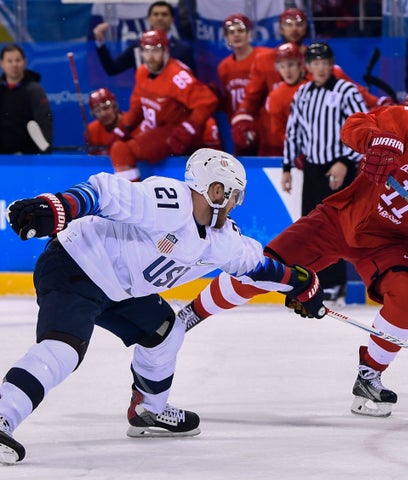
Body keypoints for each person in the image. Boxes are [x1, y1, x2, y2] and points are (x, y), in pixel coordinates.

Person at [0, 148, 326, 465]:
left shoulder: (224, 238)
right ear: (211, 188)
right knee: (64, 349)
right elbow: (104, 192)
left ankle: (148, 410)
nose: (231, 204)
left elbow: (259, 267)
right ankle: (4, 416)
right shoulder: (168, 200)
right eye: (229, 193)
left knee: (165, 333)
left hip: (121, 290)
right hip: (76, 264)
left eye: (236, 196)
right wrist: (58, 207)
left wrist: (302, 283)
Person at [174, 111, 408, 418]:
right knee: (262, 270)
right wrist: (375, 142)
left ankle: (369, 376)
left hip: (390, 244)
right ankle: (192, 313)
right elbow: (353, 125)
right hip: (342, 217)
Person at [282, 42, 368, 304]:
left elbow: (364, 128)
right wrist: (286, 167)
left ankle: (336, 284)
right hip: (313, 168)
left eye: (324, 62)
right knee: (310, 227)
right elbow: (293, 131)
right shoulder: (303, 93)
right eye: (314, 63)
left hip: (339, 167)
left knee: (335, 228)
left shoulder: (346, 91)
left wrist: (346, 161)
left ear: (331, 65)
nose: (319, 68)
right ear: (307, 66)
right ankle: (311, 281)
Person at [231, 7, 380, 156]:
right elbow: (251, 98)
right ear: (281, 28)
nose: (294, 29)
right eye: (289, 24)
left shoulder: (318, 59)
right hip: (274, 143)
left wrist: (380, 104)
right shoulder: (264, 61)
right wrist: (242, 118)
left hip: (317, 144)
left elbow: (354, 90)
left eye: (299, 24)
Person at [109, 29, 219, 181]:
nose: (150, 56)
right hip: (152, 129)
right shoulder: (141, 72)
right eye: (146, 51)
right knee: (116, 143)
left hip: (171, 131)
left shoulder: (177, 75)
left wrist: (189, 128)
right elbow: (137, 107)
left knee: (120, 150)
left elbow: (207, 101)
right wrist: (124, 128)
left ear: (166, 51)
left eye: (156, 50)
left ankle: (131, 197)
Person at [216, 13, 273, 156]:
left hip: (265, 129)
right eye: (231, 32)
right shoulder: (224, 67)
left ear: (249, 34)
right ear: (227, 38)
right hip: (239, 130)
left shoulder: (265, 57)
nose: (236, 35)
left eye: (240, 31)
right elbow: (229, 101)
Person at [93, 1, 196, 75]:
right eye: (156, 14)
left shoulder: (183, 50)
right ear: (149, 19)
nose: (160, 18)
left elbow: (192, 82)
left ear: (172, 19)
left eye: (164, 14)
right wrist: (100, 44)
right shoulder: (137, 47)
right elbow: (112, 69)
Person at [0, 44, 52, 154]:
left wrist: (44, 152)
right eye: (9, 61)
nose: (14, 64)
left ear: (24, 62)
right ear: (2, 64)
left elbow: (45, 122)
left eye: (18, 60)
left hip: (28, 156)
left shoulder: (34, 90)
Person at [265, 43, 310, 157]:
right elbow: (279, 130)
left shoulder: (314, 87)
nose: (287, 71)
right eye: (282, 66)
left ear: (300, 65)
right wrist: (296, 149)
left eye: (291, 65)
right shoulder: (275, 96)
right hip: (294, 152)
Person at [85, 87, 124, 155]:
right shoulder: (91, 130)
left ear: (114, 107)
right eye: (97, 111)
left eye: (106, 108)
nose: (103, 114)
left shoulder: (130, 124)